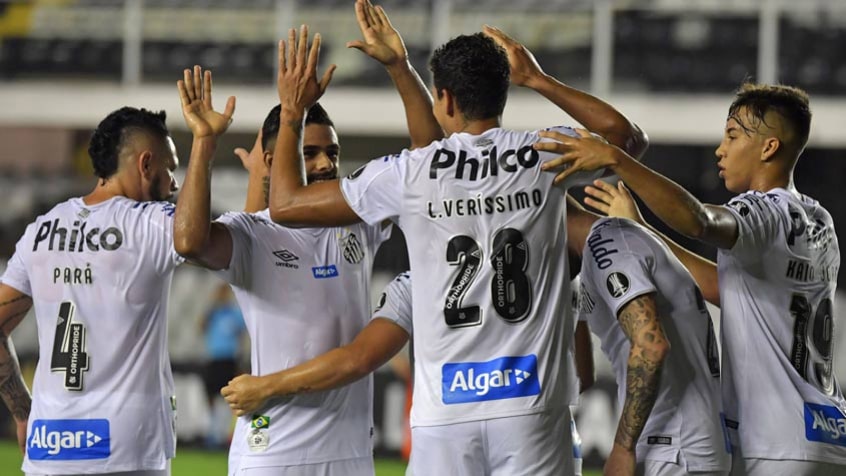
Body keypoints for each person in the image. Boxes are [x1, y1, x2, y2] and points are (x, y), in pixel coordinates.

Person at [262, 14, 647, 473]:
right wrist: (538, 79)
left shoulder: (412, 172)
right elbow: (626, 140)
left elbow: (285, 203)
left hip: (445, 415)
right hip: (533, 409)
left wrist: (292, 113)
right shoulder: (542, 152)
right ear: (503, 91)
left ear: (443, 98)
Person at [174, 2, 442, 474]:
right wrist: (202, 143)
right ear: (276, 164)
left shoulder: (358, 216)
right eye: (309, 152)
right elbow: (190, 242)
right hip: (272, 454)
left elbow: (433, 163)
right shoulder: (252, 234)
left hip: (352, 455)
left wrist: (400, 68)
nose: (324, 164)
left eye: (332, 152)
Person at [540, 83, 846, 475]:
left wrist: (618, 160)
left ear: (768, 148)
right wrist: (642, 229)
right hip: (829, 431)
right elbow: (722, 285)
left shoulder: (763, 211)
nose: (721, 149)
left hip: (775, 441)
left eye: (733, 136)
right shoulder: (819, 221)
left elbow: (700, 220)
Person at [0, 106, 190, 474]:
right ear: (145, 164)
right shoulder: (151, 223)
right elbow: (199, 239)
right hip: (126, 449)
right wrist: (208, 147)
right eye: (171, 168)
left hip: (49, 449)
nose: (174, 183)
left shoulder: (41, 229)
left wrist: (24, 412)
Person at [578, 216, 729, 476]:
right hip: (689, 446)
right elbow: (583, 376)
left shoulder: (606, 242)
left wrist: (622, 448)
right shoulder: (624, 244)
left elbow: (651, 346)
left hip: (672, 448)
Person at [201, 283, 246, 449]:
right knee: (211, 397)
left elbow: (242, 331)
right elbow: (201, 326)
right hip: (213, 359)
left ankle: (229, 433)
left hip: (229, 360)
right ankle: (213, 432)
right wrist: (212, 306)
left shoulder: (234, 313)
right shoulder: (213, 313)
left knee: (231, 397)